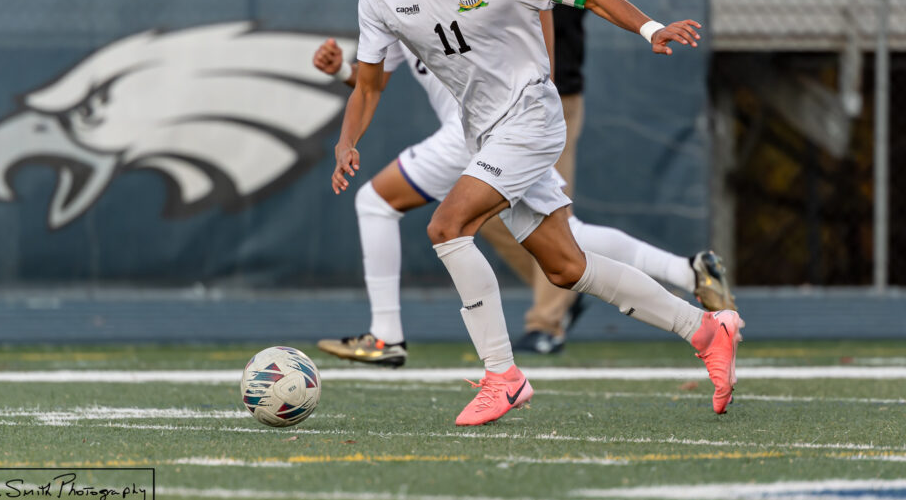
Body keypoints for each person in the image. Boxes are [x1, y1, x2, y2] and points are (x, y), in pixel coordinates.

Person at [331, 0, 744, 426]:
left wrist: (652, 30)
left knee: (446, 226)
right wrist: (347, 140)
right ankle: (705, 329)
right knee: (565, 265)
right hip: (484, 131)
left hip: (530, 117)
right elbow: (370, 82)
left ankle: (502, 374)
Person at [314, 37, 734, 366]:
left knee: (377, 203)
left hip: (479, 131)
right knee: (569, 241)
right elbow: (372, 81)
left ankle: (392, 336)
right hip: (502, 131)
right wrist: (342, 70)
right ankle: (689, 271)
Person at [485, 0, 735, 355]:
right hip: (501, 102)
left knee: (551, 214)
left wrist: (647, 29)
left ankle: (546, 323)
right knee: (492, 217)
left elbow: (560, 11)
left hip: (555, 96)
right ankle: (581, 283)